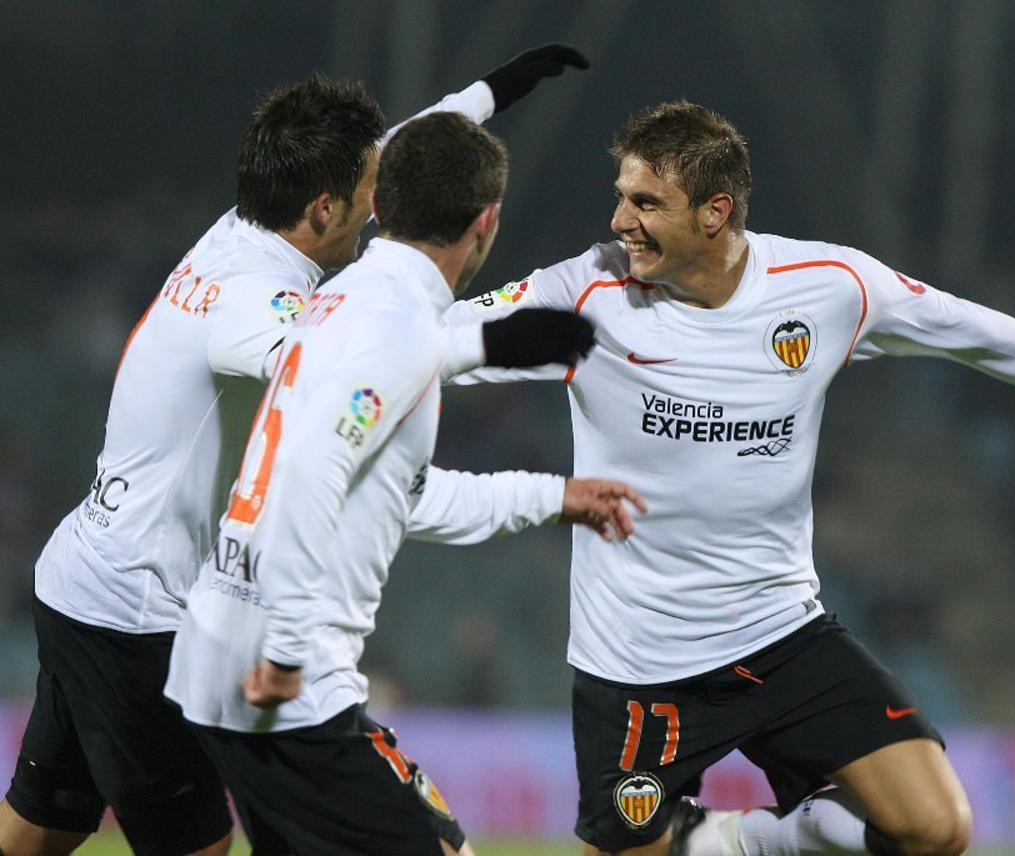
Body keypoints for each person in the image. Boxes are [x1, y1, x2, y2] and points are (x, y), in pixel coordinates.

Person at [441, 101, 1015, 856]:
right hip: (637, 664)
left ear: (716, 212)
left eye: (645, 202)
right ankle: (713, 841)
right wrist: (309, 343)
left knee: (937, 828)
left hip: (780, 635)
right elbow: (439, 339)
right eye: (620, 196)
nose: (619, 220)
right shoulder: (583, 293)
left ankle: (746, 842)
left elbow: (947, 320)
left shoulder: (824, 285)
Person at [0, 47, 593, 856]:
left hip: (87, 581)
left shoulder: (248, 223)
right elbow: (354, 362)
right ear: (324, 209)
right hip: (138, 614)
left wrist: (497, 89)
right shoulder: (254, 304)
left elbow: (403, 156)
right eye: (366, 198)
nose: (381, 203)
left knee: (39, 831)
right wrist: (504, 332)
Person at [164, 109, 642, 855]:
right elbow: (306, 473)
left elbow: (400, 494)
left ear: (381, 203)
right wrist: (289, 652)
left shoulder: (351, 301)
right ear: (486, 222)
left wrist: (555, 497)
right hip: (289, 679)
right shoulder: (393, 325)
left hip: (223, 654)